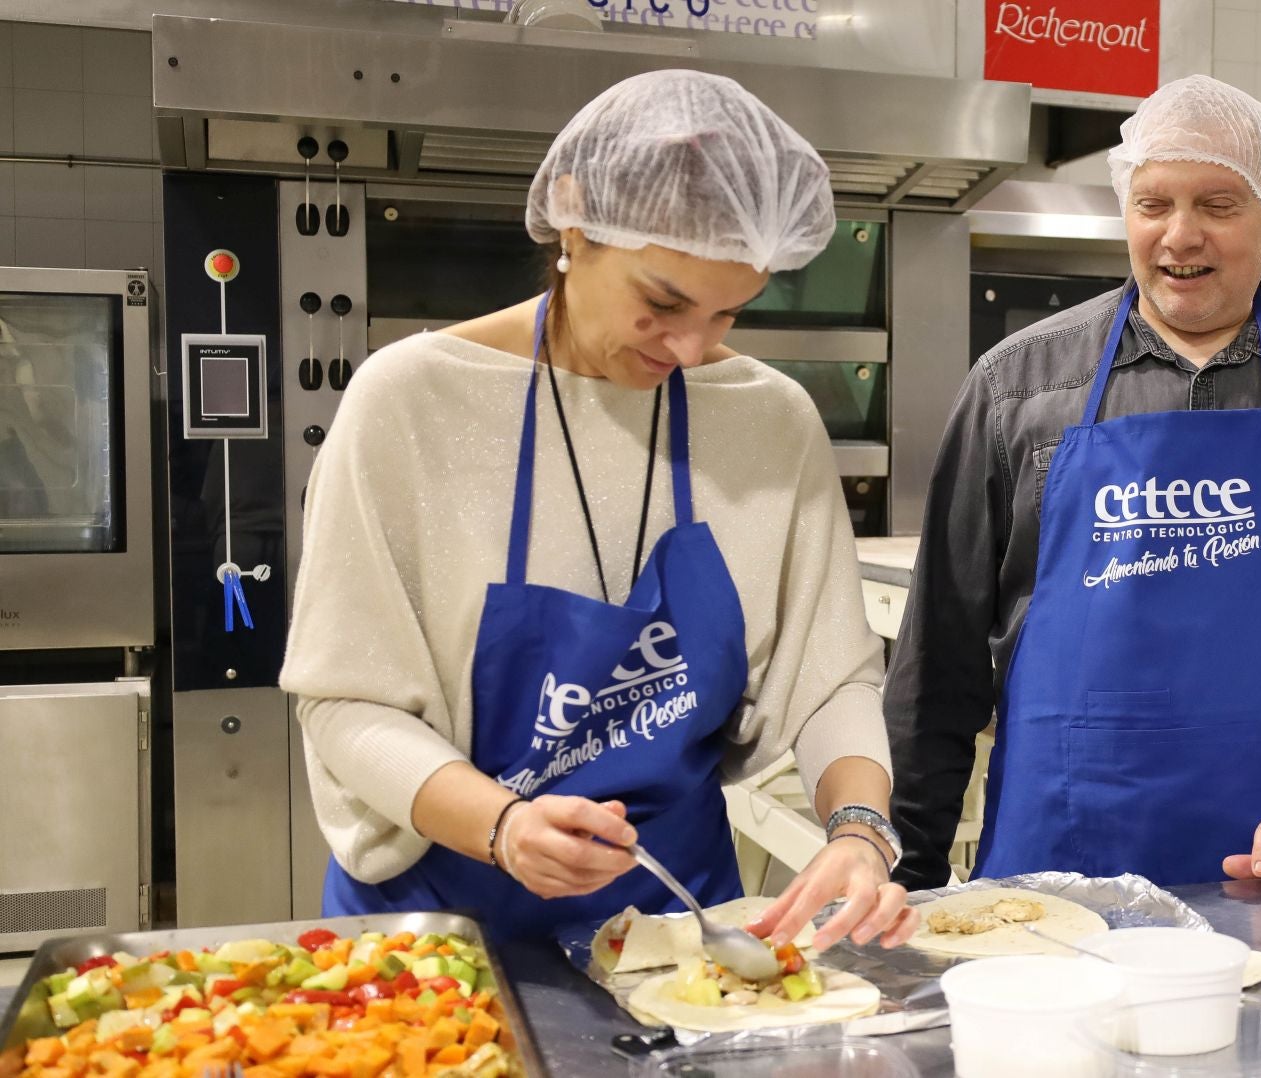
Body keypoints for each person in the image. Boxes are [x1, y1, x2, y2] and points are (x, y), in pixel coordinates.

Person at [282, 70, 916, 952]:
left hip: (682, 936)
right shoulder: (410, 401)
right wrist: (502, 825)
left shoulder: (770, 420)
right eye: (662, 302)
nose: (692, 346)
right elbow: (346, 704)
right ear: (574, 224)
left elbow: (828, 681)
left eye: (730, 310)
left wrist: (857, 829)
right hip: (438, 934)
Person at [885, 75, 1261, 891]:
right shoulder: (1016, 388)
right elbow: (937, 676)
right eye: (1152, 204)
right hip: (1060, 882)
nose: (1179, 236)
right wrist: (902, 879)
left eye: (1217, 204)